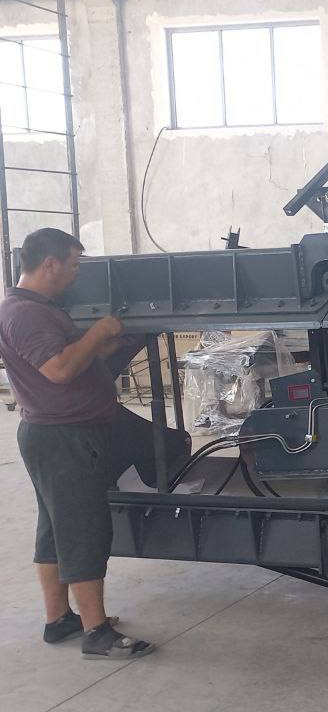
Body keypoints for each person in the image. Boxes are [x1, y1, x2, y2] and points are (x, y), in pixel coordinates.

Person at [0, 228, 157, 660]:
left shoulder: (34, 308)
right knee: (83, 529)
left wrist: (107, 344)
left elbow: (70, 359)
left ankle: (59, 619)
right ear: (49, 264)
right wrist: (97, 331)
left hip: (53, 434)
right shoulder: (26, 314)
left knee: (55, 529)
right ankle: (96, 632)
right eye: (72, 265)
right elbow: (58, 370)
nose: (75, 274)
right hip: (64, 437)